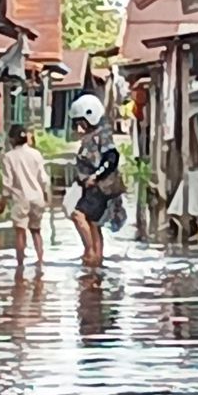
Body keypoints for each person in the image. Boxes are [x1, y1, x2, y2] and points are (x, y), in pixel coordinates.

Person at [68, 94, 125, 268]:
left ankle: (90, 251)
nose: (79, 127)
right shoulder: (92, 136)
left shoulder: (103, 135)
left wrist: (96, 176)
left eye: (81, 123)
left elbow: (112, 157)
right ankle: (96, 262)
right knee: (93, 223)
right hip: (94, 188)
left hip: (101, 189)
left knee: (78, 215)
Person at [0, 124, 50, 267]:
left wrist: (1, 200)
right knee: (36, 231)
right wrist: (46, 196)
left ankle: (20, 266)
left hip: (21, 199)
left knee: (20, 233)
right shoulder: (36, 154)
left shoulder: (8, 157)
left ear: (11, 140)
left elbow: (7, 183)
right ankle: (40, 262)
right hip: (37, 197)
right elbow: (43, 179)